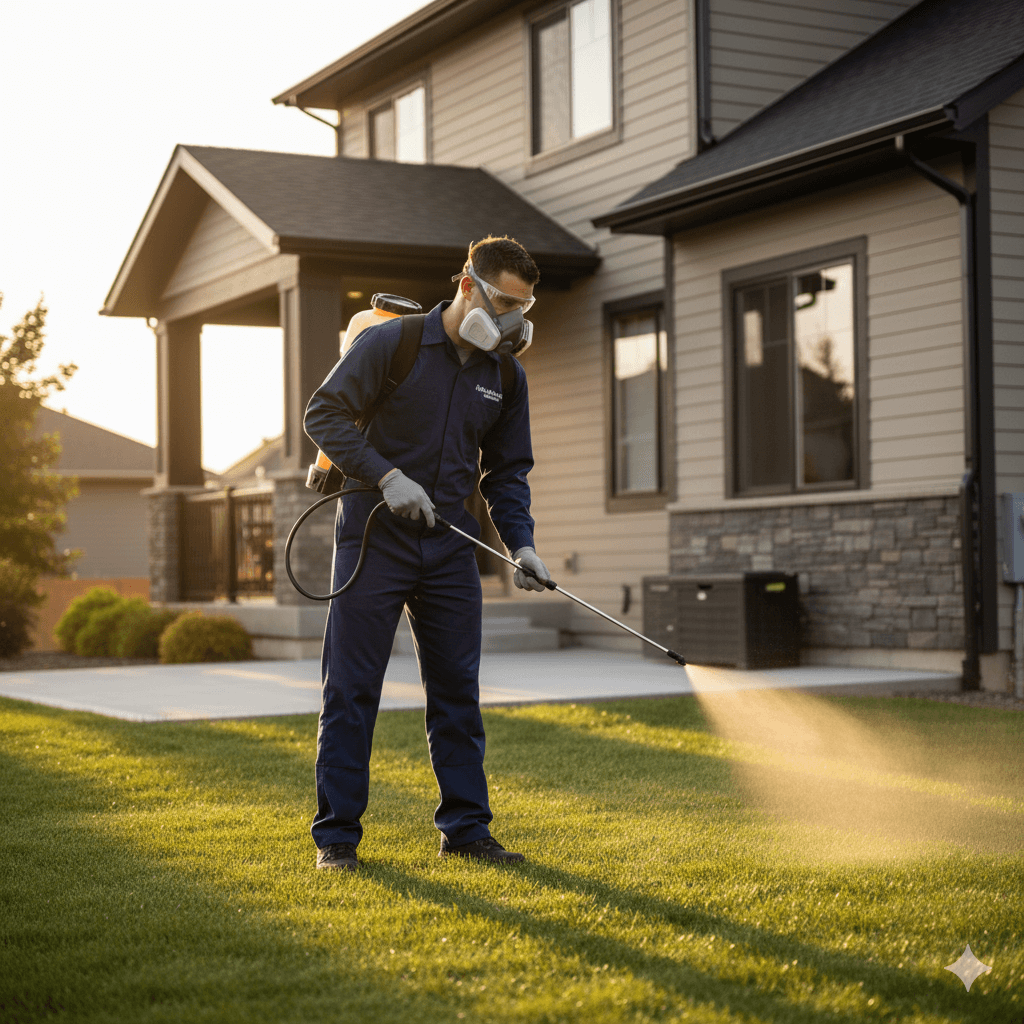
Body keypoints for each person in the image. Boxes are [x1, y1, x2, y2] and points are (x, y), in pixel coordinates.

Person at [303, 235, 551, 871]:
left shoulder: (505, 376)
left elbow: (507, 472)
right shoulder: (394, 344)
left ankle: (466, 831)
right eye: (503, 303)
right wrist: (386, 476)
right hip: (373, 540)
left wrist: (521, 545)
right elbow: (323, 413)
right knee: (353, 691)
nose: (511, 321)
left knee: (456, 695)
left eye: (522, 309)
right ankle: (337, 840)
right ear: (467, 285)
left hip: (448, 550)